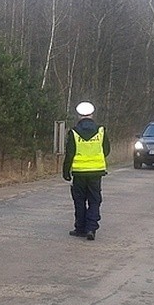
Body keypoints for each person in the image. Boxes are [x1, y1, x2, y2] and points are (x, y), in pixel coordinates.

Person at [62, 101, 110, 240]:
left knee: (79, 201)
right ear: (92, 115)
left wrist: (66, 171)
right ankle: (91, 229)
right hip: (96, 172)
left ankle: (80, 228)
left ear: (79, 116)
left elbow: (69, 154)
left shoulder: (74, 132)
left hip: (79, 173)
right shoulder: (101, 131)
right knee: (94, 201)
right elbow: (106, 150)